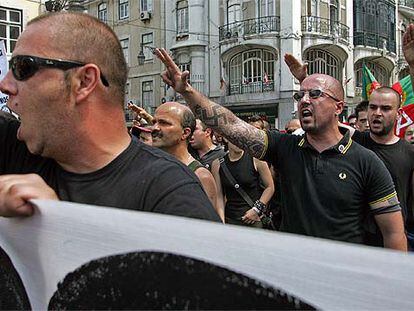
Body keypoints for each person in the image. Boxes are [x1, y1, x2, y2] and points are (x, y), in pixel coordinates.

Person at [155, 48, 406, 250]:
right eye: (300, 96)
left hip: (343, 278)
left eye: (315, 94)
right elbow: (231, 125)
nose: (304, 100)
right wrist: (187, 91)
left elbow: (393, 233)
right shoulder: (285, 147)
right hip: (292, 271)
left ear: (339, 107)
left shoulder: (366, 161)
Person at [0, 12, 220, 222]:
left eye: (23, 67)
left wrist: (59, 226)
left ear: (84, 82)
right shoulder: (15, 148)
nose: (5, 85)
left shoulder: (171, 196)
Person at [151, 102, 223, 221]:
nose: (155, 128)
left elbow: (206, 226)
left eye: (164, 123)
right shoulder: (152, 167)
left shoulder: (201, 176)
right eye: (154, 122)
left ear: (185, 133)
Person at [211, 139, 274, 227]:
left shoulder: (256, 159)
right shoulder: (217, 164)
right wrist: (221, 220)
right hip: (230, 218)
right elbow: (219, 196)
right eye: (235, 138)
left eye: (242, 138)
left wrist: (256, 209)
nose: (239, 142)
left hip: (254, 219)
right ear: (226, 138)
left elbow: (270, 187)